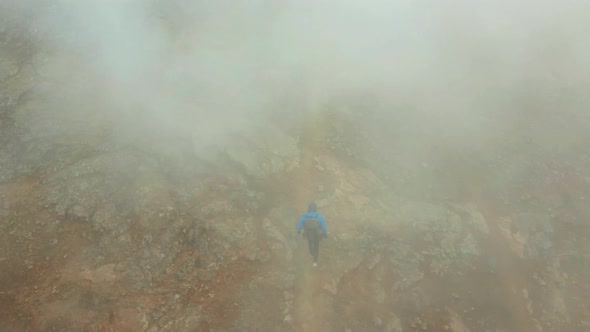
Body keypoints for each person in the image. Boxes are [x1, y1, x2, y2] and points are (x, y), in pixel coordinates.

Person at [296, 202, 328, 267]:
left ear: (308, 208)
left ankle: (311, 253)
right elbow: (323, 226)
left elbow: (299, 225)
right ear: (316, 208)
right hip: (317, 234)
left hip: (308, 234)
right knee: (316, 246)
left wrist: (298, 231)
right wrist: (325, 234)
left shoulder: (304, 216)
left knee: (310, 242)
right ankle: (315, 262)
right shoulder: (319, 216)